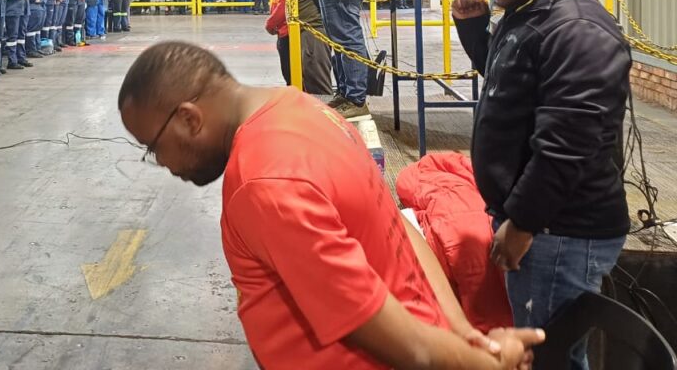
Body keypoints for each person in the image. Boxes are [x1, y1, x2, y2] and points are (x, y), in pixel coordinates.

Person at [118, 41, 544, 370]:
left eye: (153, 147)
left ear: (190, 119)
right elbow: (396, 228)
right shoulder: (300, 107)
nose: (161, 163)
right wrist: (465, 334)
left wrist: (484, 362)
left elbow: (400, 343)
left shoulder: (265, 181)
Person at [452, 0, 630, 369]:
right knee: (553, 350)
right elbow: (511, 83)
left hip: (560, 229)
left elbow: (567, 144)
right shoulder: (530, 8)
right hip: (544, 222)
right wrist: (474, 32)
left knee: (546, 356)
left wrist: (524, 223)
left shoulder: (576, 29)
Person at [280, 0, 335, 96]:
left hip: (314, 35)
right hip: (303, 34)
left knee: (319, 86)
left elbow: (325, 3)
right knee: (309, 83)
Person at [2, 0, 29, 70]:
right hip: (12, 10)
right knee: (12, 36)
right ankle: (12, 60)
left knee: (21, 35)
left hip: (24, 9)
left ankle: (21, 57)